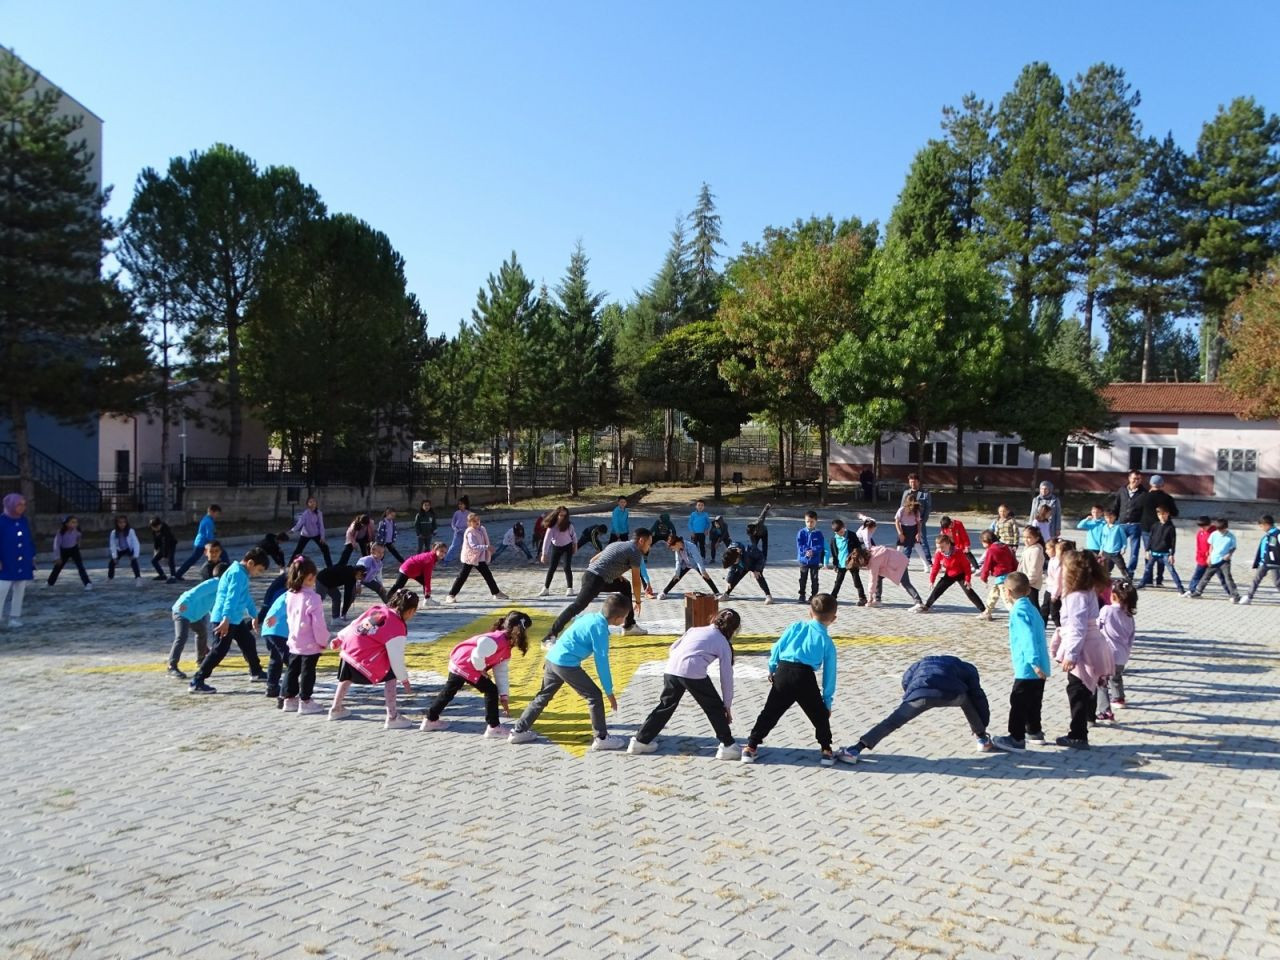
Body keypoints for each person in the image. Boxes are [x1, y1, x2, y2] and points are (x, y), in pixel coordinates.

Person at [508, 594, 631, 750]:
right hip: (566, 664)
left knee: (543, 696)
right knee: (594, 695)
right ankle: (601, 738)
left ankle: (518, 731)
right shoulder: (600, 629)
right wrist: (609, 692)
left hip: (552, 658)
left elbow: (571, 631)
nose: (625, 621)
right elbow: (602, 662)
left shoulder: (590, 617)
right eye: (625, 617)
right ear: (617, 618)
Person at [628, 608, 742, 760]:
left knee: (665, 706)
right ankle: (728, 746)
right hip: (693, 672)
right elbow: (726, 676)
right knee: (714, 707)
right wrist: (727, 705)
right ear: (733, 629)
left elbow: (673, 648)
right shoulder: (723, 642)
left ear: (714, 619)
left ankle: (640, 741)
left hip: (671, 669)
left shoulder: (694, 630)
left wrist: (679, 664)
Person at [836, 656, 996, 762]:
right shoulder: (968, 668)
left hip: (920, 695)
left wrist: (909, 699)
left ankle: (855, 750)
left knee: (892, 721)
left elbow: (906, 682)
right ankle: (982, 739)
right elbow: (978, 696)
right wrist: (984, 723)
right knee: (967, 700)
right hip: (953, 694)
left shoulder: (919, 664)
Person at [741, 594, 839, 766]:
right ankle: (826, 750)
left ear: (810, 612)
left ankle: (750, 747)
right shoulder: (827, 642)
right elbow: (830, 675)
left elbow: (777, 648)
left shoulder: (795, 626)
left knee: (770, 713)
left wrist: (772, 668)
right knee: (819, 716)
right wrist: (827, 702)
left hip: (783, 672)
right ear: (834, 619)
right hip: (805, 677)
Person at [421, 610, 532, 736]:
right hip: (467, 664)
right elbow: (476, 655)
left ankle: (429, 719)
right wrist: (481, 669)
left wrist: (504, 696)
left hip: (459, 661)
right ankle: (494, 727)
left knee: (449, 691)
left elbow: (501, 672)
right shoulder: (496, 640)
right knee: (490, 690)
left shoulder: (505, 646)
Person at [1050, 550, 1114, 749]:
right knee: (1086, 687)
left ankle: (1078, 734)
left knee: (1076, 689)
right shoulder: (1088, 590)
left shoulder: (1077, 595)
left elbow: (1078, 628)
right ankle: (1086, 721)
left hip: (1084, 646)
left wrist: (1071, 655)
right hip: (1092, 642)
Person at [328, 589, 418, 728]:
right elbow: (396, 657)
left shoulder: (378, 612)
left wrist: (339, 638)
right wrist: (403, 678)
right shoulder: (396, 626)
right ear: (410, 611)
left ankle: (335, 708)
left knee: (345, 679)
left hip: (349, 652)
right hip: (365, 661)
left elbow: (357, 626)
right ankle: (392, 717)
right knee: (391, 676)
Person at [544, 530, 652, 644]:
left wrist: (616, 573)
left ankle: (629, 626)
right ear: (641, 541)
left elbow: (593, 560)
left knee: (625, 585)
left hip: (595, 577)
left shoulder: (618, 544)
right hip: (594, 580)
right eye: (649, 544)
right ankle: (549, 636)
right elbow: (636, 581)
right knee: (577, 606)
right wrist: (638, 602)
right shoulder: (635, 552)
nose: (649, 547)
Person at [187, 547, 270, 693]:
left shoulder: (242, 573)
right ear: (250, 563)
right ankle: (197, 681)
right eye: (259, 570)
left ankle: (256, 672)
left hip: (234, 619)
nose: (259, 574)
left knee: (248, 641)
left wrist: (254, 614)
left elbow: (245, 596)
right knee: (219, 650)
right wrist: (225, 619)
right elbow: (231, 598)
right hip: (225, 619)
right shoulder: (237, 573)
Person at [991, 572, 1050, 752]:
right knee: (1034, 701)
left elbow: (1028, 637)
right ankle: (1034, 731)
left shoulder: (1017, 611)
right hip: (1041, 666)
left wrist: (1033, 662)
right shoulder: (1032, 607)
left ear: (1007, 593)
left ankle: (1016, 738)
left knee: (1018, 701)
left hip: (1028, 666)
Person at [283, 555, 331, 715]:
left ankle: (289, 698)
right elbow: (318, 624)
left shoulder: (290, 595)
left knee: (292, 669)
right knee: (308, 672)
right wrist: (323, 640)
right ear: (308, 578)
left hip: (294, 640)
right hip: (310, 643)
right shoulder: (313, 598)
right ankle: (305, 700)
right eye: (312, 578)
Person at [165, 565, 223, 680]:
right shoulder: (215, 583)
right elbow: (195, 592)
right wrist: (185, 603)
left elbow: (213, 606)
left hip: (193, 615)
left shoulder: (222, 588)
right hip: (182, 611)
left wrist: (216, 621)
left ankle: (201, 660)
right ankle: (171, 666)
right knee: (181, 637)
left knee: (202, 632)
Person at [442, 513, 509, 604]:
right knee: (462, 577)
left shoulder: (482, 529)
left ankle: (496, 593)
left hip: (479, 557)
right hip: (471, 557)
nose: (477, 522)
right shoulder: (470, 532)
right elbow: (474, 546)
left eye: (478, 520)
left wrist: (487, 549)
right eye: (474, 521)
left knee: (488, 575)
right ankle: (450, 595)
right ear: (469, 523)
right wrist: (487, 547)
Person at [1096, 580, 1137, 721]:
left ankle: (1104, 710)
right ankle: (1119, 698)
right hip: (1122, 654)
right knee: (1116, 676)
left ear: (1113, 596)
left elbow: (1097, 626)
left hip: (1108, 652)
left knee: (1101, 681)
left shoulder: (1107, 610)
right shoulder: (1129, 615)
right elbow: (1132, 636)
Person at [920, 534, 984, 614]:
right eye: (938, 547)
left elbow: (967, 567)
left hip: (961, 574)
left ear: (948, 544)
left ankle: (984, 610)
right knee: (938, 589)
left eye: (942, 547)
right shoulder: (939, 553)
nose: (940, 549)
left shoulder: (958, 552)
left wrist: (967, 580)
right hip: (949, 574)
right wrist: (931, 580)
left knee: (969, 591)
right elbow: (935, 568)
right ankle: (927, 606)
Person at [850, 542, 924, 609]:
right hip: (898, 559)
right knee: (878, 577)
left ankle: (918, 602)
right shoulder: (871, 551)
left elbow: (872, 579)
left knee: (906, 583)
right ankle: (877, 600)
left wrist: (869, 597)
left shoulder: (873, 561)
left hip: (899, 564)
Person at [1135, 475, 1178, 578]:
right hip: (1164, 529)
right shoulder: (1167, 498)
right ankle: (1159, 577)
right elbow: (1175, 512)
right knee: (1162, 552)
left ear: (1150, 484)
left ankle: (1148, 577)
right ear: (1162, 484)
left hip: (1147, 528)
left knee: (1148, 552)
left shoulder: (1143, 497)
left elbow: (1136, 509)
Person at [1188, 518, 1241, 602]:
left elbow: (1233, 547)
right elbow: (1211, 546)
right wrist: (1209, 557)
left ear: (1226, 527)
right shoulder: (1214, 534)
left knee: (1227, 578)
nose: (1220, 531)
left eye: (1222, 529)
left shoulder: (1231, 536)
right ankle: (1198, 592)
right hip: (1214, 559)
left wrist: (1229, 554)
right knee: (1206, 577)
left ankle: (1235, 595)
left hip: (1224, 561)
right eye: (1219, 529)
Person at [258, 579, 292, 704]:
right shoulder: (292, 595)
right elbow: (280, 609)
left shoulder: (284, 593)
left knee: (275, 659)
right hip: (279, 632)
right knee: (293, 663)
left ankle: (272, 687)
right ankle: (286, 694)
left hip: (269, 631)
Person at [1140, 504, 1185, 593]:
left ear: (1167, 514)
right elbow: (1151, 539)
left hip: (1165, 553)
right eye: (1159, 514)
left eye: (1163, 514)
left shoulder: (1171, 527)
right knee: (1148, 568)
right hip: (1153, 552)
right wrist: (1147, 550)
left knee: (1171, 570)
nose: (1161, 516)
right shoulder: (1155, 525)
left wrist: (1172, 554)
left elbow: (1173, 542)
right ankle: (1142, 583)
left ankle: (1180, 587)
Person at [658, 534, 719, 599]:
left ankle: (717, 593)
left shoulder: (691, 547)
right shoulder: (677, 550)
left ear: (677, 543)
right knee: (676, 577)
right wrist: (677, 573)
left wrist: (703, 571)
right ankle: (664, 592)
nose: (673, 550)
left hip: (695, 564)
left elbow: (698, 560)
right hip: (685, 564)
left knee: (705, 576)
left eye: (673, 548)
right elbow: (678, 561)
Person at [1111, 471, 1147, 576]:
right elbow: (1116, 506)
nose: (1136, 481)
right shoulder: (1122, 490)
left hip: (1135, 525)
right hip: (1121, 524)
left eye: (1139, 479)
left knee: (1134, 551)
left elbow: (1146, 510)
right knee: (1114, 547)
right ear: (1129, 478)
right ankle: (1110, 568)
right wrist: (1112, 520)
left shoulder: (1144, 493)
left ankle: (1130, 572)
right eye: (1134, 478)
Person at [976, 530, 1017, 620]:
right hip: (1008, 576)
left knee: (1007, 600)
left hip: (1001, 578)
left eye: (982, 543)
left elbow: (987, 565)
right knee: (993, 594)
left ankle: (1017, 616)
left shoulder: (991, 550)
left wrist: (984, 577)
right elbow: (1013, 559)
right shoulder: (1005, 547)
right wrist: (1014, 570)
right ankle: (987, 612)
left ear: (986, 541)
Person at [173, 504, 220, 582]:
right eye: (217, 513)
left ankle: (178, 574)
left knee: (211, 559)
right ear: (211, 512)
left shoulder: (206, 519)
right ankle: (178, 574)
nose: (217, 516)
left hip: (201, 543)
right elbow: (209, 535)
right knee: (194, 559)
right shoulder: (208, 521)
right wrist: (214, 543)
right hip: (202, 544)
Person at [1241, 514, 1280, 605]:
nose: (1261, 528)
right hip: (1264, 562)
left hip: (1275, 563)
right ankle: (1248, 597)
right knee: (1256, 580)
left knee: (1277, 582)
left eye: (1262, 526)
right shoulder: (1267, 535)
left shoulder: (1277, 534)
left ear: (1266, 524)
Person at [825, 519, 866, 605]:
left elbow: (858, 546)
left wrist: (857, 557)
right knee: (838, 581)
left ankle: (862, 597)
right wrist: (835, 564)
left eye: (841, 531)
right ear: (835, 532)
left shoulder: (851, 535)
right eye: (838, 532)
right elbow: (834, 553)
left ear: (844, 527)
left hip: (852, 563)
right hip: (841, 563)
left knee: (856, 580)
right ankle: (833, 597)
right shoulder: (834, 539)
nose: (841, 533)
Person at [538, 507, 577, 597]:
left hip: (567, 546)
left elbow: (574, 536)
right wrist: (544, 554)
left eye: (564, 515)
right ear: (556, 515)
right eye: (560, 515)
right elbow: (547, 541)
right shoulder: (551, 527)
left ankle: (570, 588)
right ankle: (546, 588)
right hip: (556, 547)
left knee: (567, 567)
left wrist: (575, 546)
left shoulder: (569, 525)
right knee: (552, 568)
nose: (562, 517)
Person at [47, 515, 91, 589]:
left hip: (74, 549)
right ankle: (49, 583)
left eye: (76, 522)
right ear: (67, 524)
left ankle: (87, 583)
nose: (75, 524)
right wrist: (57, 557)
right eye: (72, 522)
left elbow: (79, 537)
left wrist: (78, 545)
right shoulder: (61, 532)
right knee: (57, 567)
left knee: (80, 567)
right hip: (64, 551)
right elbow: (56, 545)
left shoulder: (77, 530)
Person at [1186, 516, 1224, 597]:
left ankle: (1232, 594)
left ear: (1209, 524)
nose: (1202, 528)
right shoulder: (1200, 533)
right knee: (1197, 575)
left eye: (1204, 526)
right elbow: (1198, 546)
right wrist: (1199, 557)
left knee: (1222, 577)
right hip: (1202, 559)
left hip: (1215, 559)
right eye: (1201, 527)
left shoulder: (1215, 533)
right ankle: (1192, 590)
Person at [289, 497, 332, 567]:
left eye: (314, 502)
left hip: (316, 534)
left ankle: (330, 567)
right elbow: (300, 523)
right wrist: (293, 530)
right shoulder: (305, 514)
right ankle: (290, 566)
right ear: (307, 504)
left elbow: (321, 525)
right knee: (298, 550)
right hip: (305, 535)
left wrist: (322, 537)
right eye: (310, 502)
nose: (312, 503)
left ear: (316, 504)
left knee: (325, 549)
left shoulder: (319, 513)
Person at [900, 474, 933, 562]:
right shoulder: (906, 493)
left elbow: (927, 508)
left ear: (918, 482)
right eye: (911, 482)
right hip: (908, 522)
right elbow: (902, 507)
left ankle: (928, 560)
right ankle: (905, 560)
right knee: (906, 541)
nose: (912, 484)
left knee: (923, 540)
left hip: (919, 521)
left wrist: (923, 520)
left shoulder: (924, 493)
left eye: (914, 482)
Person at [796, 510, 825, 604]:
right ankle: (802, 594)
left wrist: (813, 551)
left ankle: (814, 595)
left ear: (816, 521)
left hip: (814, 561)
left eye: (812, 521)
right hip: (804, 560)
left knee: (814, 579)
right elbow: (800, 545)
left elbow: (820, 545)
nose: (809, 523)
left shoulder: (819, 533)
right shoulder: (801, 532)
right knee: (803, 578)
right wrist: (806, 551)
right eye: (807, 521)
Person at [1017, 526, 1046, 612]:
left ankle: (1039, 623)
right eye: (1024, 537)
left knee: (1033, 606)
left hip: (1031, 584)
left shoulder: (1036, 550)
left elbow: (1034, 569)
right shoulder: (1028, 548)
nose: (1026, 539)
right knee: (1026, 605)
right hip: (1024, 582)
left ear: (1037, 538)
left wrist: (1028, 583)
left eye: (1029, 537)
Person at [107, 515, 142, 586]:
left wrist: (135, 555)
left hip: (129, 548)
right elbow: (112, 544)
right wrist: (114, 557)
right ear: (116, 523)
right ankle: (110, 578)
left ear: (126, 523)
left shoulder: (131, 531)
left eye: (124, 522)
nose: (122, 524)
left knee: (134, 561)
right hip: (119, 549)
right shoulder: (113, 533)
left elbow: (136, 543)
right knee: (111, 563)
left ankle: (138, 578)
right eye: (120, 522)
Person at [894, 496, 927, 571]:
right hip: (903, 529)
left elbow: (919, 523)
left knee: (918, 547)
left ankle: (926, 565)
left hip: (913, 529)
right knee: (900, 548)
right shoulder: (902, 510)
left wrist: (918, 533)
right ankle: (895, 565)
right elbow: (896, 522)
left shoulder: (916, 511)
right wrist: (900, 533)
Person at [1095, 508, 1128, 573]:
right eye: (1107, 518)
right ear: (1105, 518)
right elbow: (1103, 540)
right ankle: (1106, 580)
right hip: (1106, 552)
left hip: (1116, 552)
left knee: (1122, 567)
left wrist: (1123, 548)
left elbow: (1124, 539)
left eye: (1111, 517)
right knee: (1106, 568)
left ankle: (1128, 579)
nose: (1109, 519)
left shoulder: (1118, 527)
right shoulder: (1104, 527)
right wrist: (1101, 550)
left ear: (1114, 517)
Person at [443, 496, 471, 566]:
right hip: (458, 533)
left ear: (466, 505)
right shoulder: (456, 513)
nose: (460, 505)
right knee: (454, 546)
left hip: (466, 533)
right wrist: (455, 529)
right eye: (459, 504)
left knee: (467, 546)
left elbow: (471, 524)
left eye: (462, 504)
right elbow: (453, 523)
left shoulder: (469, 513)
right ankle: (447, 559)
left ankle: (467, 559)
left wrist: (468, 530)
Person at [148, 517, 177, 582]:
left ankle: (173, 576)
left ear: (160, 525)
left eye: (156, 527)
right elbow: (155, 541)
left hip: (171, 545)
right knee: (154, 561)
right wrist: (155, 550)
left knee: (170, 560)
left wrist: (164, 556)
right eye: (153, 527)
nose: (155, 529)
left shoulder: (166, 530)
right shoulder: (154, 530)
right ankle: (162, 575)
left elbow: (165, 543)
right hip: (162, 547)